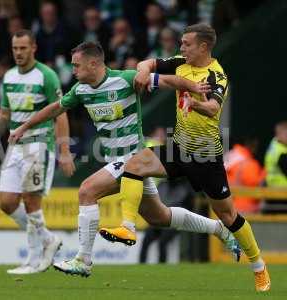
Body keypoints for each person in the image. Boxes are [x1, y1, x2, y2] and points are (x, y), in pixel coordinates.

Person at [9, 41, 241, 278]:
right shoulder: (80, 90)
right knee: (159, 216)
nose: (73, 70)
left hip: (133, 159)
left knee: (87, 191)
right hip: (124, 165)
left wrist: (195, 87)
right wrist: (23, 128)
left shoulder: (126, 79)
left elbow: (169, 80)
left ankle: (83, 260)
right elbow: (53, 110)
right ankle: (219, 229)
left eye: (76, 65)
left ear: (93, 63)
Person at [104, 23, 270, 292]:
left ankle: (258, 265)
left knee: (229, 216)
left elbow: (214, 107)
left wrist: (197, 104)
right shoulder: (179, 63)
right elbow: (147, 63)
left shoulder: (217, 76)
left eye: (186, 44)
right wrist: (145, 71)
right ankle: (127, 227)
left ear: (204, 47)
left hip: (206, 155)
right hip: (179, 147)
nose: (181, 48)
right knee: (135, 165)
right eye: (181, 43)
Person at [0, 29, 75, 275]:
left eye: (23, 48)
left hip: (39, 143)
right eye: (15, 48)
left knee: (30, 198)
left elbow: (61, 112)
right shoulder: (9, 76)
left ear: (33, 47)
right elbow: (4, 113)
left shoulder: (47, 76)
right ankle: (48, 239)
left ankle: (33, 261)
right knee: (6, 202)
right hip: (15, 145)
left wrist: (64, 151)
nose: (19, 53)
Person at [224, 137, 265, 213]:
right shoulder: (249, 163)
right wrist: (264, 173)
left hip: (225, 205)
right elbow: (254, 184)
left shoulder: (230, 156)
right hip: (243, 207)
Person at [263, 121, 287, 213]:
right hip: (280, 195)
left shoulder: (274, 144)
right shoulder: (281, 153)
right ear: (279, 135)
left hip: (273, 191)